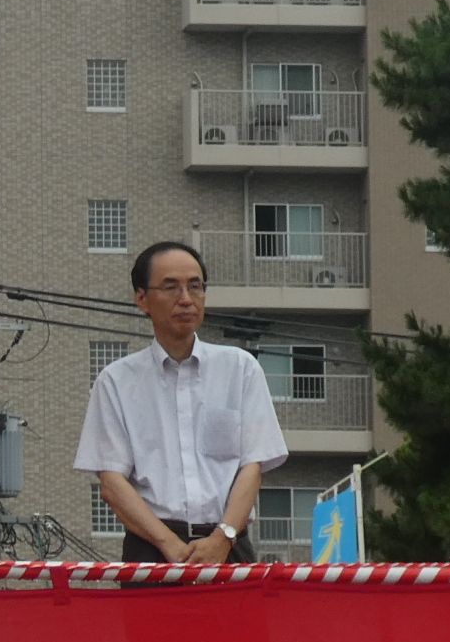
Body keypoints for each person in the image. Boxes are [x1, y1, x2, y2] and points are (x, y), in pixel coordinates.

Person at [75, 240, 290, 565]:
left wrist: (223, 538)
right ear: (142, 299)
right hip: (150, 550)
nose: (186, 299)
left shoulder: (241, 368)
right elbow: (111, 481)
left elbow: (253, 466)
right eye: (171, 287)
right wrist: (168, 544)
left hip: (230, 548)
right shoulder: (116, 381)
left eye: (195, 286)